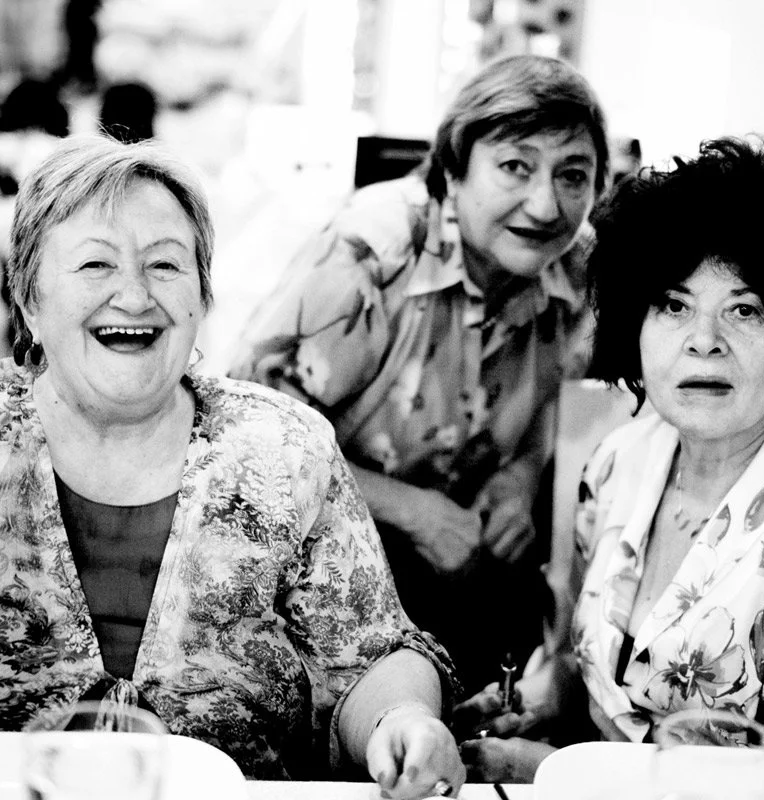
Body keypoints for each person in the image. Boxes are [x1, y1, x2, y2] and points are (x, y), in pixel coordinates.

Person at [0, 136, 466, 799]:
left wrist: (402, 723)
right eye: (95, 265)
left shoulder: (286, 449)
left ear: (202, 299)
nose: (135, 295)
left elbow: (368, 660)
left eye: (166, 266)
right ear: (30, 301)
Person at [456, 137, 764, 781]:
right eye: (673, 304)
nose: (703, 342)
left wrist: (557, 772)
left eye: (744, 310)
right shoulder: (620, 458)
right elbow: (589, 658)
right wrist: (540, 700)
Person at [228, 54, 609, 694]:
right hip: (316, 550)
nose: (546, 206)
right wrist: (412, 512)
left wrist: (518, 482)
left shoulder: (579, 266)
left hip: (462, 566)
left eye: (574, 175)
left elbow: (560, 400)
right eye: (515, 167)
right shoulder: (377, 249)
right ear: (455, 168)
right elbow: (250, 426)